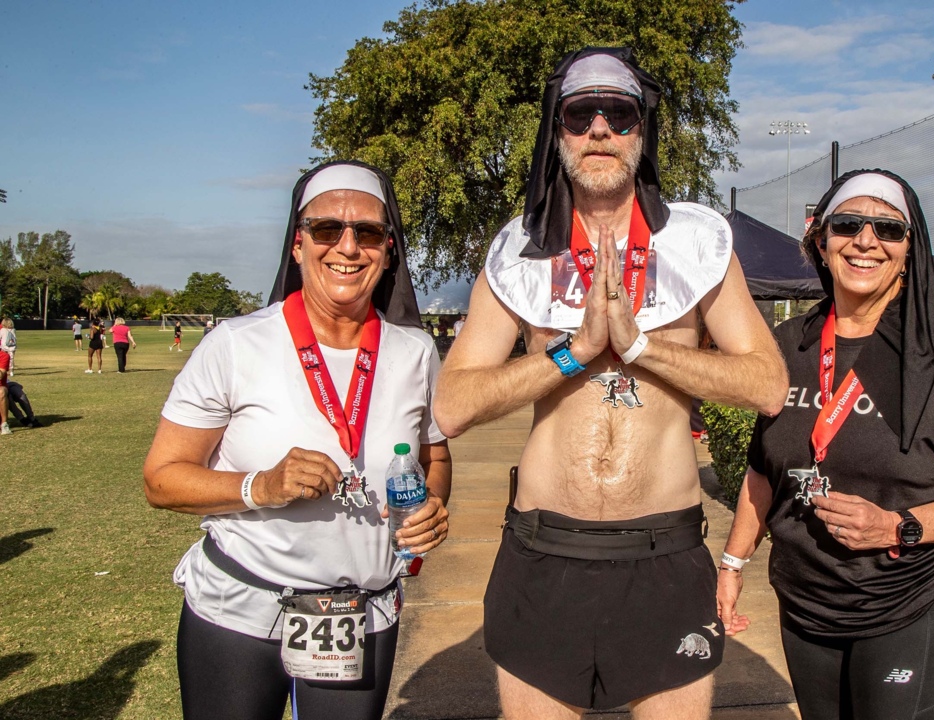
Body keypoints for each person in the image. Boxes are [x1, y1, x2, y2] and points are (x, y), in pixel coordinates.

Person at [434, 47, 788, 720]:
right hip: (544, 551)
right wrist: (576, 353)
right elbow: (451, 406)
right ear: (558, 132)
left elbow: (768, 383)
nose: (599, 129)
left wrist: (642, 347)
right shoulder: (520, 250)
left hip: (665, 553)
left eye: (618, 114)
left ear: (640, 131)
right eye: (580, 114)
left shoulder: (696, 244)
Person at [142, 160, 452, 720]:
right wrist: (262, 485)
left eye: (369, 232)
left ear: (388, 249)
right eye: (328, 229)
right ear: (298, 243)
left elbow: (434, 452)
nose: (348, 247)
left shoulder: (415, 353)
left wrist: (431, 503)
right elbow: (162, 479)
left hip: (361, 614)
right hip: (238, 611)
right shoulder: (235, 345)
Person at [715, 170, 934, 720]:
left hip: (907, 606)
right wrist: (733, 562)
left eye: (887, 228)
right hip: (807, 609)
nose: (865, 240)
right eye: (848, 224)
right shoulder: (786, 347)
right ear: (821, 241)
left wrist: (895, 526)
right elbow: (765, 471)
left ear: (910, 252)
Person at [0, 346, 10, 435]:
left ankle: (4, 424)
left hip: (1, 386)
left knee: (1, 392)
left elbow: (1, 375)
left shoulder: (4, 356)